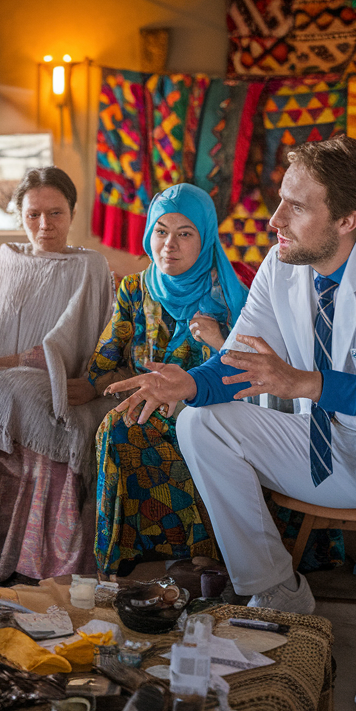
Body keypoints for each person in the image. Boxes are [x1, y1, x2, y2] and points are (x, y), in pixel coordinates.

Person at [110, 136, 356, 711]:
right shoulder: (283, 264)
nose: (273, 220)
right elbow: (235, 363)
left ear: (347, 220)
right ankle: (277, 591)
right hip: (328, 452)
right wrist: (188, 383)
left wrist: (304, 383)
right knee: (200, 422)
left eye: (296, 206)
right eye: (280, 200)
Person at [0, 167, 117, 583]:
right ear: (19, 214)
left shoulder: (90, 266)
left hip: (59, 380)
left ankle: (39, 562)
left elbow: (65, 344)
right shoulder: (7, 258)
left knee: (21, 395)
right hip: (4, 377)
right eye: (33, 214)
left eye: (55, 213)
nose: (44, 224)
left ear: (72, 213)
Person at [88, 184, 248, 576]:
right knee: (119, 425)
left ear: (205, 237)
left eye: (185, 233)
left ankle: (208, 553)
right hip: (154, 406)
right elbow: (102, 366)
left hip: (216, 407)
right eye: (160, 231)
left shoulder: (230, 296)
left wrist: (217, 340)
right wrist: (143, 385)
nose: (169, 245)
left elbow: (255, 371)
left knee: (190, 427)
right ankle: (128, 558)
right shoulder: (134, 289)